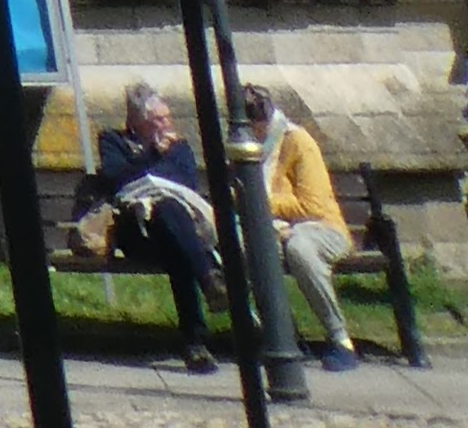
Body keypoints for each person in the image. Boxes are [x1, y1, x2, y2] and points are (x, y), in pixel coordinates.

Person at [74, 86, 223, 369]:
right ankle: (208, 281)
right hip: (135, 233)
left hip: (173, 231)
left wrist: (150, 167)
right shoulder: (113, 141)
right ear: (137, 122)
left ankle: (196, 344)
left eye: (167, 117)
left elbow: (187, 183)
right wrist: (154, 155)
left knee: (170, 221)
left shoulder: (179, 146)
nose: (166, 124)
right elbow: (117, 179)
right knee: (173, 231)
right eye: (158, 120)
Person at [243, 86, 358, 369]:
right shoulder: (247, 149)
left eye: (257, 123)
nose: (255, 131)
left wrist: (263, 203)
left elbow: (312, 206)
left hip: (322, 229)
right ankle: (285, 336)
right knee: (253, 249)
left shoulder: (298, 142)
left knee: (300, 249)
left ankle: (340, 338)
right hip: (278, 230)